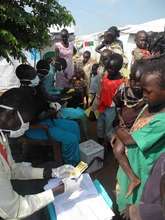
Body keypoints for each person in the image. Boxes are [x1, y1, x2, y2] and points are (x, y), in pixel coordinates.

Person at [0, 88, 80, 219]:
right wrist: (60, 190)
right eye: (25, 122)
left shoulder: (3, 135)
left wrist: (53, 172)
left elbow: (13, 169)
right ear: (11, 114)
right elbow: (16, 210)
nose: (26, 126)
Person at [112, 55, 165, 213]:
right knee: (123, 200)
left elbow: (128, 140)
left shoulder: (162, 121)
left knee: (136, 206)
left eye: (148, 91)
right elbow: (134, 128)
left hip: (143, 173)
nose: (143, 95)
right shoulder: (149, 106)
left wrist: (116, 128)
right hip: (131, 166)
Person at [15, 64, 80, 166]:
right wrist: (53, 111)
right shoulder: (23, 96)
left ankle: (72, 153)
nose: (36, 77)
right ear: (26, 80)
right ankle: (71, 165)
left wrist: (50, 104)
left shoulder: (35, 89)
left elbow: (44, 101)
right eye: (33, 76)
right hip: (36, 128)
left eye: (35, 73)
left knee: (74, 126)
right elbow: (36, 117)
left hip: (47, 121)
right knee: (71, 139)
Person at [112, 61, 145, 197]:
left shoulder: (147, 95)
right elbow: (118, 108)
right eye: (134, 81)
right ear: (130, 80)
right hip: (124, 127)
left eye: (141, 83)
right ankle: (133, 178)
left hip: (137, 129)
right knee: (118, 150)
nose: (137, 86)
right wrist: (119, 119)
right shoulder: (122, 93)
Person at [97, 53, 123, 145]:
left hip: (112, 109)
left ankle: (110, 145)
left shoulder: (121, 83)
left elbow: (120, 101)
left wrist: (118, 113)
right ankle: (100, 142)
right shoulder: (106, 76)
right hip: (103, 106)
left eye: (111, 68)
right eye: (107, 67)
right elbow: (102, 89)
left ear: (118, 68)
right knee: (100, 125)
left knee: (109, 129)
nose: (108, 70)